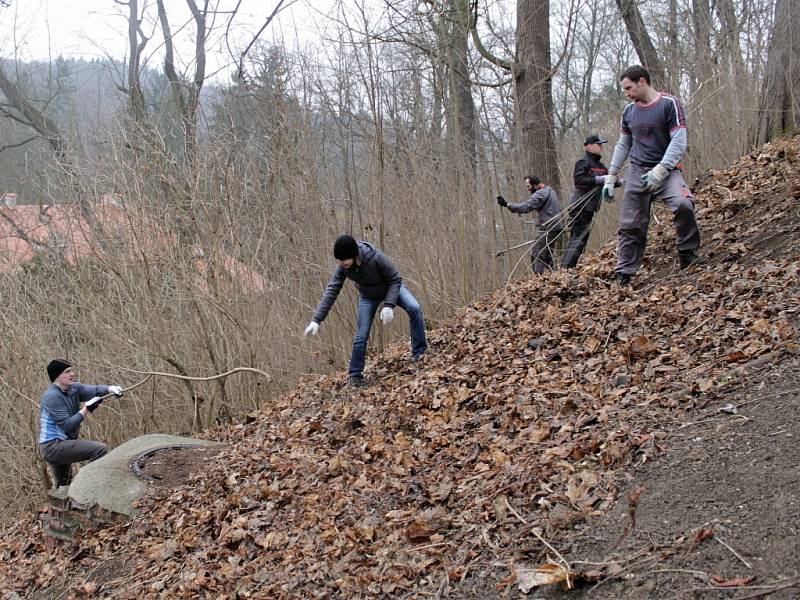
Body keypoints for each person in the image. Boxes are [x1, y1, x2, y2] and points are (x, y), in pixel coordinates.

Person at [602, 65, 701, 285]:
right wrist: (611, 175)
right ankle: (625, 272)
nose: (627, 93)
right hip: (637, 171)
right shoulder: (629, 112)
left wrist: (662, 169)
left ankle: (688, 253)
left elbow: (679, 140)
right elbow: (623, 144)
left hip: (667, 171)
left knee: (684, 204)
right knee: (630, 223)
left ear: (642, 82)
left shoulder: (669, 104)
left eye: (629, 88)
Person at [303, 235, 427, 387]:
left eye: (344, 261)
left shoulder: (375, 257)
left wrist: (389, 305)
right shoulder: (343, 267)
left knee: (415, 308)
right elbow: (332, 289)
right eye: (340, 261)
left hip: (391, 289)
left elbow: (395, 279)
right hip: (368, 297)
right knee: (361, 335)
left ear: (354, 255)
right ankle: (355, 376)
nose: (341, 264)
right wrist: (317, 320)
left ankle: (419, 354)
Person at [38, 360, 123, 487]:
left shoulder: (74, 389)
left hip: (64, 443)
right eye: (67, 372)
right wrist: (86, 409)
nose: (72, 374)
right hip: (52, 447)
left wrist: (110, 389)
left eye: (72, 370)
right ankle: (89, 487)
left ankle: (67, 503)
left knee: (64, 486)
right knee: (99, 450)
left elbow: (94, 390)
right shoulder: (52, 397)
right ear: (57, 376)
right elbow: (67, 425)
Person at [562, 134, 614, 268]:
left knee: (582, 238)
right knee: (578, 238)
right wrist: (601, 180)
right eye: (599, 144)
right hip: (580, 206)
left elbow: (608, 179)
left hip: (590, 207)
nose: (601, 147)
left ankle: (569, 268)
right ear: (589, 147)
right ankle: (566, 269)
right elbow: (579, 181)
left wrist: (616, 181)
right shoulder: (583, 162)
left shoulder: (601, 166)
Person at [497, 176, 564, 274]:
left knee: (537, 254)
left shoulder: (540, 194)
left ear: (535, 185)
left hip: (547, 228)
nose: (527, 189)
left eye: (528, 187)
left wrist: (507, 204)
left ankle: (538, 280)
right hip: (555, 226)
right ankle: (552, 275)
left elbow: (526, 207)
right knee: (547, 253)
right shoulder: (550, 190)